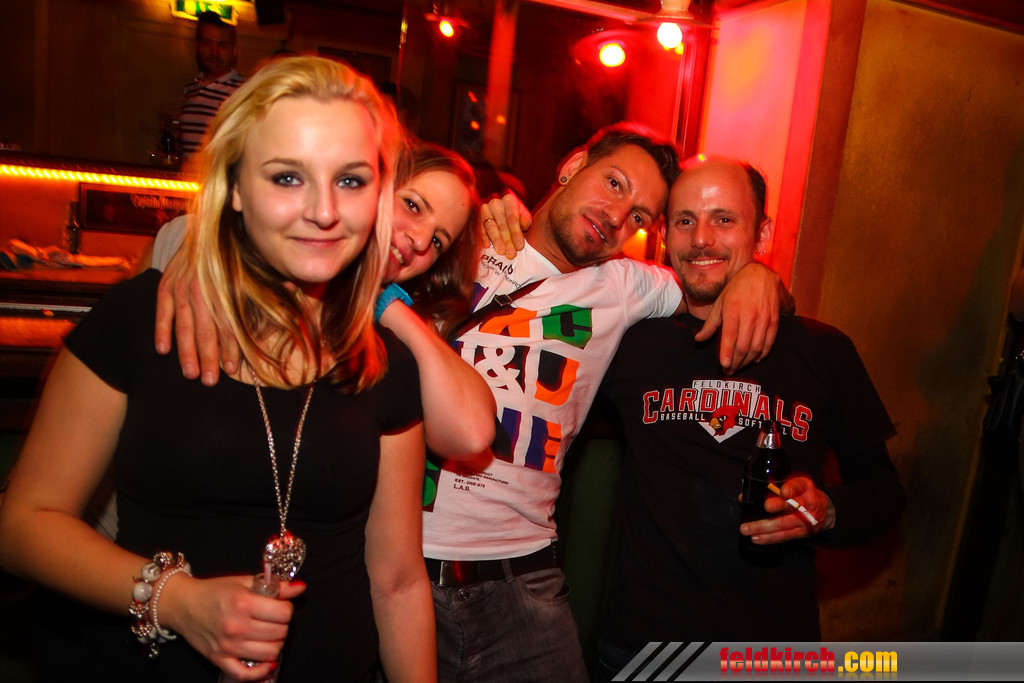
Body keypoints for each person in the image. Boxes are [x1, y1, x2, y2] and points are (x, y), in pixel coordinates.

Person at [158, 124, 788, 682]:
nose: (618, 215)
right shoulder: (456, 238)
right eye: (613, 183)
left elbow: (708, 273)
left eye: (640, 216)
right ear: (573, 166)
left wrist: (760, 275)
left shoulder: (625, 284)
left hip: (523, 588)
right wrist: (196, 257)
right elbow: (283, 244)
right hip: (380, 571)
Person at [0, 56, 435, 682]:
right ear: (234, 188)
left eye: (350, 180)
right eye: (287, 178)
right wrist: (177, 600)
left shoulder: (383, 363)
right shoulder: (142, 322)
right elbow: (23, 526)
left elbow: (397, 580)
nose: (324, 211)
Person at [592, 156, 904, 680]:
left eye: (724, 219)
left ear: (762, 234)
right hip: (641, 648)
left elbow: (885, 493)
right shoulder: (631, 343)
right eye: (685, 220)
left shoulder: (823, 351)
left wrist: (826, 509)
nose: (702, 239)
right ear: (664, 235)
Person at [179, 11, 246, 160]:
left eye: (222, 45)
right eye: (207, 43)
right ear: (197, 46)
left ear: (234, 51)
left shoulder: (243, 92)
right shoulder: (191, 88)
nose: (214, 52)